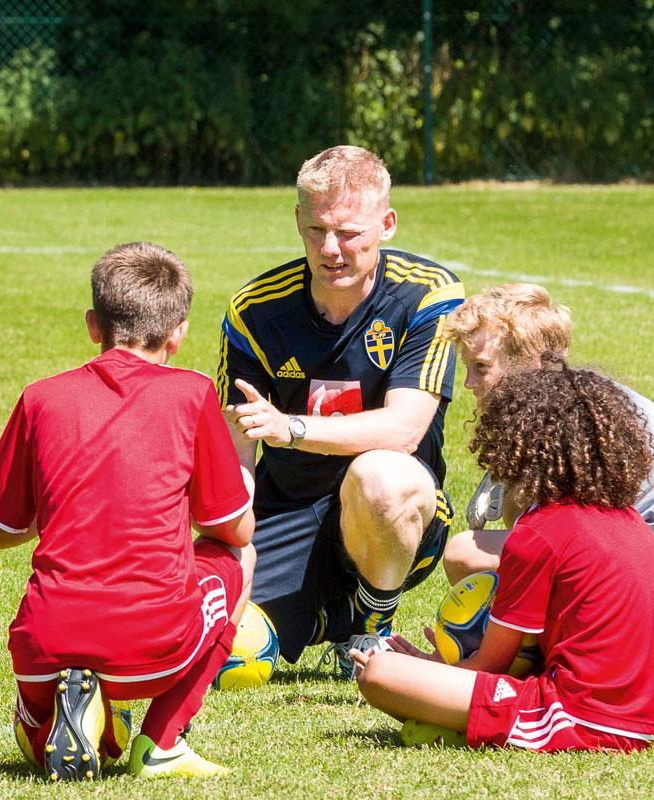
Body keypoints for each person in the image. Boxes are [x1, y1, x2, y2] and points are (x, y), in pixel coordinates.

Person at [0, 242, 256, 781]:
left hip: (44, 641)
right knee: (242, 558)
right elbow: (233, 529)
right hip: (153, 646)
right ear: (178, 332)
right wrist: (241, 477)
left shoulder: (41, 397)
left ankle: (47, 715)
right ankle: (162, 742)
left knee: (48, 739)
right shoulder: (194, 393)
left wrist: (59, 504)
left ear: (91, 325)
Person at [217, 145, 462, 675]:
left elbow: (404, 429)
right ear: (298, 220)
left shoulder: (427, 295)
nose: (330, 248)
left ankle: (373, 624)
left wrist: (292, 428)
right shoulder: (255, 310)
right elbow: (235, 441)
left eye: (349, 233)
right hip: (289, 504)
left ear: (387, 224)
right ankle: (333, 616)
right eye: (316, 230)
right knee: (215, 639)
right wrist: (232, 543)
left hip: (396, 508)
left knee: (379, 475)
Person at [353, 361, 654, 753]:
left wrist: (428, 670)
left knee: (378, 673)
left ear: (516, 447)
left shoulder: (538, 534)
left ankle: (458, 723)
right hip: (643, 715)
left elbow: (490, 665)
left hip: (579, 717)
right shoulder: (631, 521)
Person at [441, 283, 654, 585]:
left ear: (533, 361)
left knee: (466, 555)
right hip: (626, 548)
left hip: (638, 561)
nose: (468, 382)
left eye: (481, 367)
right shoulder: (569, 398)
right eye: (467, 366)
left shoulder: (569, 420)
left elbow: (577, 531)